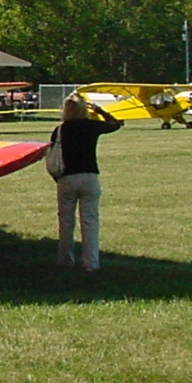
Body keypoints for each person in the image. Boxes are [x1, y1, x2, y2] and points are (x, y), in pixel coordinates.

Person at [53, 94, 121, 272]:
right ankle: (91, 263)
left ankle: (65, 259)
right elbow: (116, 123)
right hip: (89, 176)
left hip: (66, 177)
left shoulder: (60, 130)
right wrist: (99, 110)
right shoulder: (91, 126)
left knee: (66, 222)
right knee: (90, 221)